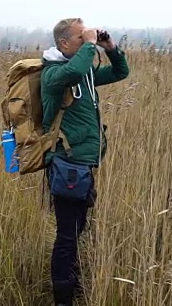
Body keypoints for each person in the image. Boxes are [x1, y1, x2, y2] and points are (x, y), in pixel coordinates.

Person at [40, 18, 130, 305]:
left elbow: (120, 72)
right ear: (64, 44)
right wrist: (90, 46)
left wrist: (110, 47)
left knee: (78, 228)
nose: (87, 39)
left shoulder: (84, 73)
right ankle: (63, 298)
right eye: (81, 37)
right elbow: (75, 69)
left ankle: (72, 284)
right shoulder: (53, 75)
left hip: (83, 163)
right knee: (67, 235)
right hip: (66, 162)